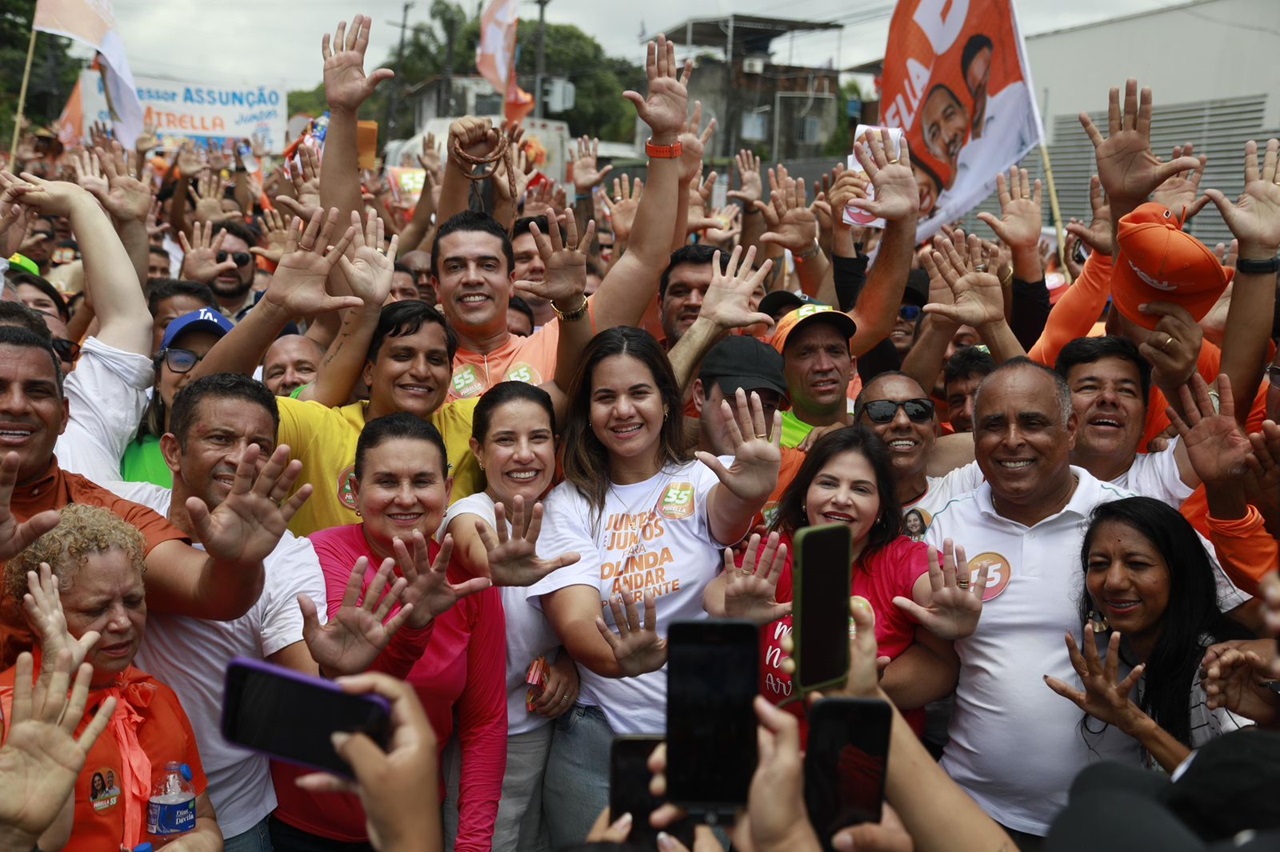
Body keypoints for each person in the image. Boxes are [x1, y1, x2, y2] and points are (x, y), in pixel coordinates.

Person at [922, 359, 1249, 844]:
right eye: (993, 425)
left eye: (1032, 422)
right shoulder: (940, 525)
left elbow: (1239, 623)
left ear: (1071, 428)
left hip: (1106, 820)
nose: (1012, 440)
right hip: (971, 810)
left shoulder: (1133, 523)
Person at [528, 325, 780, 847]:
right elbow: (576, 622)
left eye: (638, 392)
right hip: (596, 741)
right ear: (587, 413)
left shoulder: (705, 478)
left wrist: (751, 493)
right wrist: (621, 659)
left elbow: (727, 519)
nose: (623, 410)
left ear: (667, 403)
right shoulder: (566, 505)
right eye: (605, 397)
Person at [271, 413, 500, 852]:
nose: (406, 498)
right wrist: (415, 628)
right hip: (304, 826)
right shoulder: (317, 556)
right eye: (387, 482)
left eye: (422, 481)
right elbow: (350, 700)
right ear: (354, 493)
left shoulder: (468, 578)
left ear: (448, 491)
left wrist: (473, 844)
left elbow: (484, 721)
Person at [705, 425, 979, 735]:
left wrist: (859, 684)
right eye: (828, 483)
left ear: (880, 509)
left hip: (873, 765)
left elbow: (932, 596)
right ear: (805, 496)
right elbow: (715, 595)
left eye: (861, 489)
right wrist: (734, 609)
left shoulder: (902, 558)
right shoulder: (781, 549)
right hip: (778, 760)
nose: (841, 498)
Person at [0, 505, 221, 852]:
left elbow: (204, 819)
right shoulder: (9, 713)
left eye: (133, 601)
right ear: (36, 615)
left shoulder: (157, 698)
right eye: (96, 609)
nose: (122, 622)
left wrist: (197, 845)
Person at [442, 382, 582, 851]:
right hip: (477, 739)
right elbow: (472, 543)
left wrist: (569, 665)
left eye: (538, 438)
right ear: (478, 452)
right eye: (505, 440)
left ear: (556, 446)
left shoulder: (571, 512)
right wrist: (496, 567)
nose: (525, 454)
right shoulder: (471, 510)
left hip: (548, 729)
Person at [1044, 497, 1255, 773]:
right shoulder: (1139, 657)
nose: (1114, 581)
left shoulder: (1219, 669)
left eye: (1137, 564)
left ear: (1180, 574)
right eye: (1099, 564)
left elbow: (1252, 794)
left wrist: (1141, 727)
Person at [123, 307, 235, 487]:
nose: (196, 372)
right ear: (158, 379)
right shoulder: (122, 448)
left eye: (214, 361)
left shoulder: (250, 456)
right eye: (181, 359)